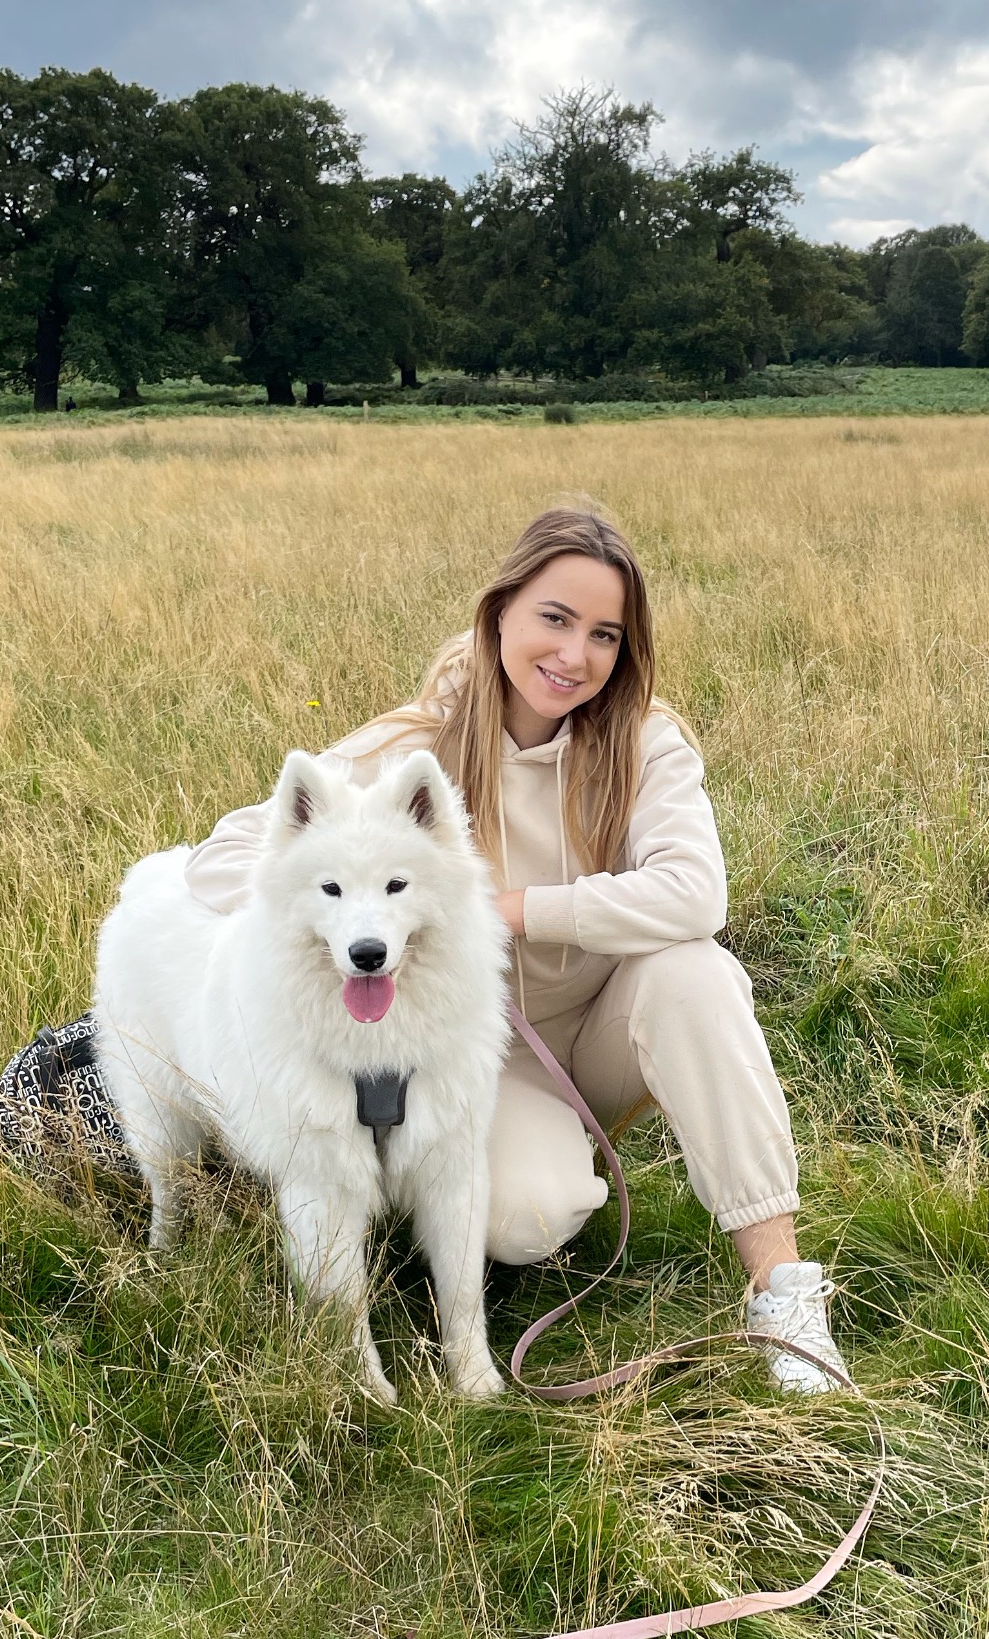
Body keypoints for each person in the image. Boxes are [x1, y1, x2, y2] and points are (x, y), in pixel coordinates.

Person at [184, 507, 848, 1393]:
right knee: (531, 1221)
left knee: (698, 970)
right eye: (554, 619)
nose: (574, 655)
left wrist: (511, 909)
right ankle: (512, 1179)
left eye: (605, 635)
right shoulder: (415, 747)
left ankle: (783, 1295)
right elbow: (225, 860)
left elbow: (698, 893)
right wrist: (338, 919)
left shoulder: (648, 741)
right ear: (500, 613)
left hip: (615, 1027)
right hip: (485, 1058)